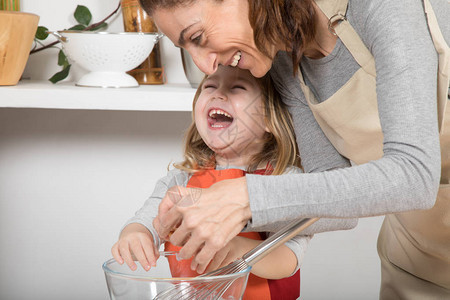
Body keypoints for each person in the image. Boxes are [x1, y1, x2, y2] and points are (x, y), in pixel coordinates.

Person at [138, 0, 450, 298]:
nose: (206, 64)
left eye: (198, 36)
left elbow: (415, 176)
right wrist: (218, 212)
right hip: (417, 256)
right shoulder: (281, 58)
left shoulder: (381, 6)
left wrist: (246, 197)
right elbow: (330, 208)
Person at [112, 65, 354, 299]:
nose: (218, 94)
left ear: (270, 118)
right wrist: (136, 234)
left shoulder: (284, 182)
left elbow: (289, 260)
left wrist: (238, 250)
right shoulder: (180, 180)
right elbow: (145, 222)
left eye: (237, 87)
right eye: (209, 86)